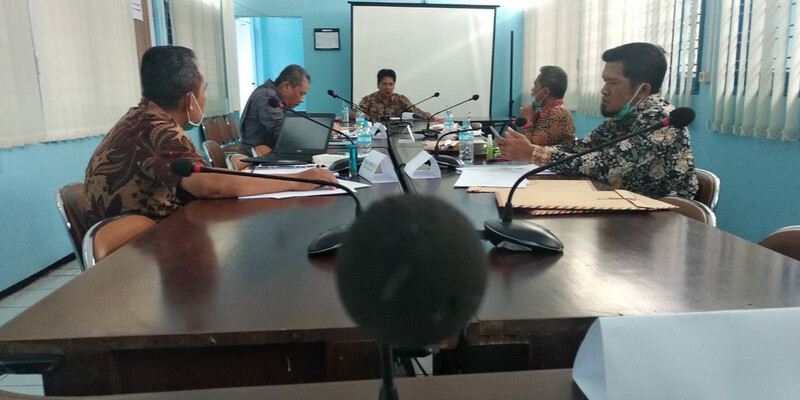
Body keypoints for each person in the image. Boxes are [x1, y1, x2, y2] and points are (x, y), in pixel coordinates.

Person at [84, 46, 336, 226]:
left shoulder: (139, 118)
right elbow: (211, 185)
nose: (205, 97)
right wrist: (297, 181)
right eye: (204, 90)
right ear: (190, 99)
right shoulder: (160, 133)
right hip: (142, 251)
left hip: (135, 241)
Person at [497, 42, 698, 200]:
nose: (604, 90)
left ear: (643, 90)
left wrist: (534, 153)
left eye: (613, 82)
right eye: (604, 81)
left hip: (663, 221)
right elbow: (581, 148)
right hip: (623, 208)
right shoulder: (625, 115)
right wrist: (530, 150)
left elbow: (604, 167)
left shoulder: (661, 120)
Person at [238, 64, 311, 157]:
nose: (302, 100)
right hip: (255, 158)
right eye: (301, 94)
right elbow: (283, 134)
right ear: (286, 86)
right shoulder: (267, 97)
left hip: (269, 155)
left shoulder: (276, 98)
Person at [518, 66, 576, 146]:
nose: (532, 90)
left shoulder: (558, 113)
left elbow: (531, 148)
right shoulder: (547, 111)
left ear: (545, 92)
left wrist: (527, 119)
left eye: (535, 86)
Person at [355, 69, 433, 120]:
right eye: (384, 84)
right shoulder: (369, 99)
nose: (388, 87)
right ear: (378, 85)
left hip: (397, 134)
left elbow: (417, 112)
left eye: (391, 84)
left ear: (394, 85)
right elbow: (353, 113)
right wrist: (364, 116)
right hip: (374, 133)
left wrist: (427, 115)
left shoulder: (401, 99)